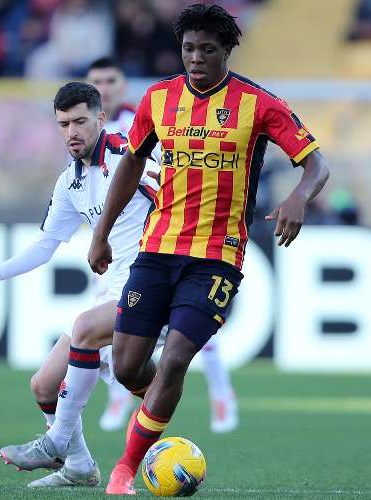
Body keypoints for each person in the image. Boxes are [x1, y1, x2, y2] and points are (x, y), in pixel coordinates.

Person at [87, 4, 330, 495]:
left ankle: (124, 469)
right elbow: (130, 165)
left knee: (175, 358)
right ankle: (158, 412)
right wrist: (102, 232)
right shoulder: (159, 99)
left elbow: (316, 163)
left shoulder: (258, 104)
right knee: (127, 366)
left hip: (218, 256)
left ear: (226, 51)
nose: (195, 58)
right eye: (188, 49)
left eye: (207, 50)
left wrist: (299, 197)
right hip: (156, 250)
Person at [0, 82, 159, 488]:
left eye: (80, 121)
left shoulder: (130, 156)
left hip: (153, 283)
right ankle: (78, 465)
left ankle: (58, 439)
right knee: (43, 384)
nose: (72, 132)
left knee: (86, 331)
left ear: (100, 118)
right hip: (113, 291)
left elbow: (169, 193)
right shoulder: (70, 182)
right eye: (63, 124)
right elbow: (45, 245)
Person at [87, 56, 240, 435]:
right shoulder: (88, 129)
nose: (103, 88)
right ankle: (120, 401)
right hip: (118, 247)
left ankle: (222, 395)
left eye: (110, 79)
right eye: (96, 82)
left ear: (123, 84)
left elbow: (157, 173)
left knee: (186, 328)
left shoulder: (145, 117)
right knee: (119, 333)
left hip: (162, 241)